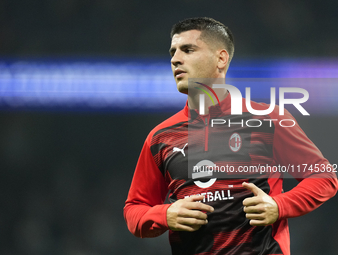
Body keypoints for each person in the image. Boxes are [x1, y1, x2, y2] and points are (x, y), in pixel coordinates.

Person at [124, 17, 338, 255]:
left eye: (188, 50)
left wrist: (279, 205)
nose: (175, 59)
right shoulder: (160, 137)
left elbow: (324, 178)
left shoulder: (268, 119)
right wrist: (164, 214)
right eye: (173, 52)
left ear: (221, 58)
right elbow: (135, 208)